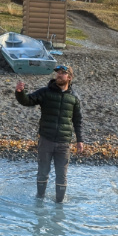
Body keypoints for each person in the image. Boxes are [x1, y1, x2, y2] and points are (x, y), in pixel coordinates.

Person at [14, 64, 84, 203]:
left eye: (62, 73)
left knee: (61, 175)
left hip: (64, 143)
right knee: (42, 172)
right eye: (57, 72)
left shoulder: (74, 98)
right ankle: (39, 202)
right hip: (46, 139)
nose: (58, 75)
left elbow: (77, 120)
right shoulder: (45, 92)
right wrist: (20, 92)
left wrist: (79, 140)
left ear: (69, 77)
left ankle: (59, 205)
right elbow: (27, 101)